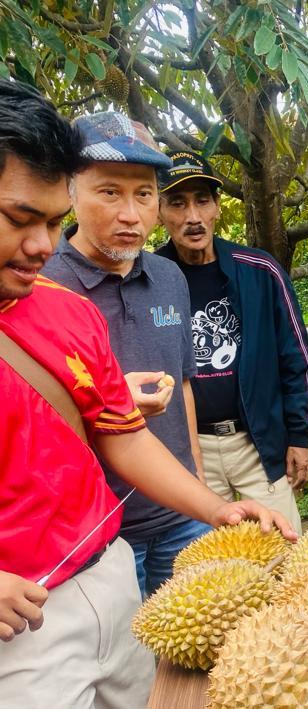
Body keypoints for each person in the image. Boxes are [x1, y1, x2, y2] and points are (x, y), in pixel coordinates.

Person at [0, 79, 296, 709]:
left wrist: (216, 509)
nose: (41, 246)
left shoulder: (65, 314)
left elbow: (122, 436)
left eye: (51, 224)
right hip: (23, 619)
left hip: (107, 575)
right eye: (20, 220)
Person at [42, 112, 209, 597]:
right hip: (98, 534)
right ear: (70, 191)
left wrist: (197, 487)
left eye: (144, 194)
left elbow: (184, 388)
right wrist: (106, 406)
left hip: (182, 520)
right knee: (131, 670)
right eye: (110, 192)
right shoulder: (40, 283)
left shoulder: (170, 277)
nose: (131, 214)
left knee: (189, 663)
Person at [155, 150, 308, 532]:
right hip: (191, 451)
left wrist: (299, 435)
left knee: (286, 552)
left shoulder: (259, 271)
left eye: (202, 200)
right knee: (216, 572)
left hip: (255, 443)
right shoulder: (151, 280)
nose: (192, 217)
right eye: (177, 203)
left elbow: (295, 358)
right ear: (159, 211)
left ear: (217, 207)